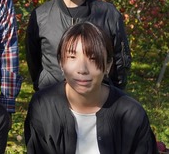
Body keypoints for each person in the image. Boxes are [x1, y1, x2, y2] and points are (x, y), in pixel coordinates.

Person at [24, 22, 157, 154]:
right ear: (61, 63)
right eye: (72, 57)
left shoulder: (131, 114)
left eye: (93, 58)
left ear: (108, 65)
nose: (82, 69)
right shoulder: (43, 107)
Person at [25, 0, 131, 91]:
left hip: (96, 101)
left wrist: (113, 94)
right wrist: (43, 87)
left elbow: (119, 61)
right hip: (53, 102)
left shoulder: (108, 14)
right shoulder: (40, 16)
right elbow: (33, 60)